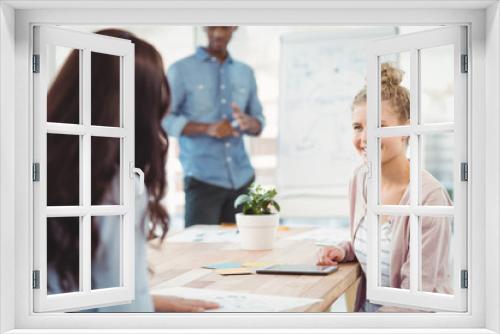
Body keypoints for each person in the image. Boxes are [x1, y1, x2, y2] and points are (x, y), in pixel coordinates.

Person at [46, 28, 219, 312]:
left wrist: (151, 300)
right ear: (141, 104)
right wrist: (142, 302)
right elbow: (125, 312)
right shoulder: (116, 187)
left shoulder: (35, 166)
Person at [317, 63, 452, 312]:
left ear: (406, 129)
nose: (365, 138)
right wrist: (343, 250)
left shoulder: (429, 198)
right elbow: (377, 242)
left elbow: (417, 301)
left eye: (379, 126)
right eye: (358, 127)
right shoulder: (361, 179)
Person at [163, 26, 265, 228]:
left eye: (224, 27)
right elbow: (164, 119)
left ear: (234, 28)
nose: (218, 33)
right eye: (212, 26)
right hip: (202, 179)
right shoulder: (180, 70)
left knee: (245, 253)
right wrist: (207, 128)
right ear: (204, 27)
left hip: (242, 179)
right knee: (199, 255)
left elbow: (258, 121)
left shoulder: (245, 72)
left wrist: (250, 123)